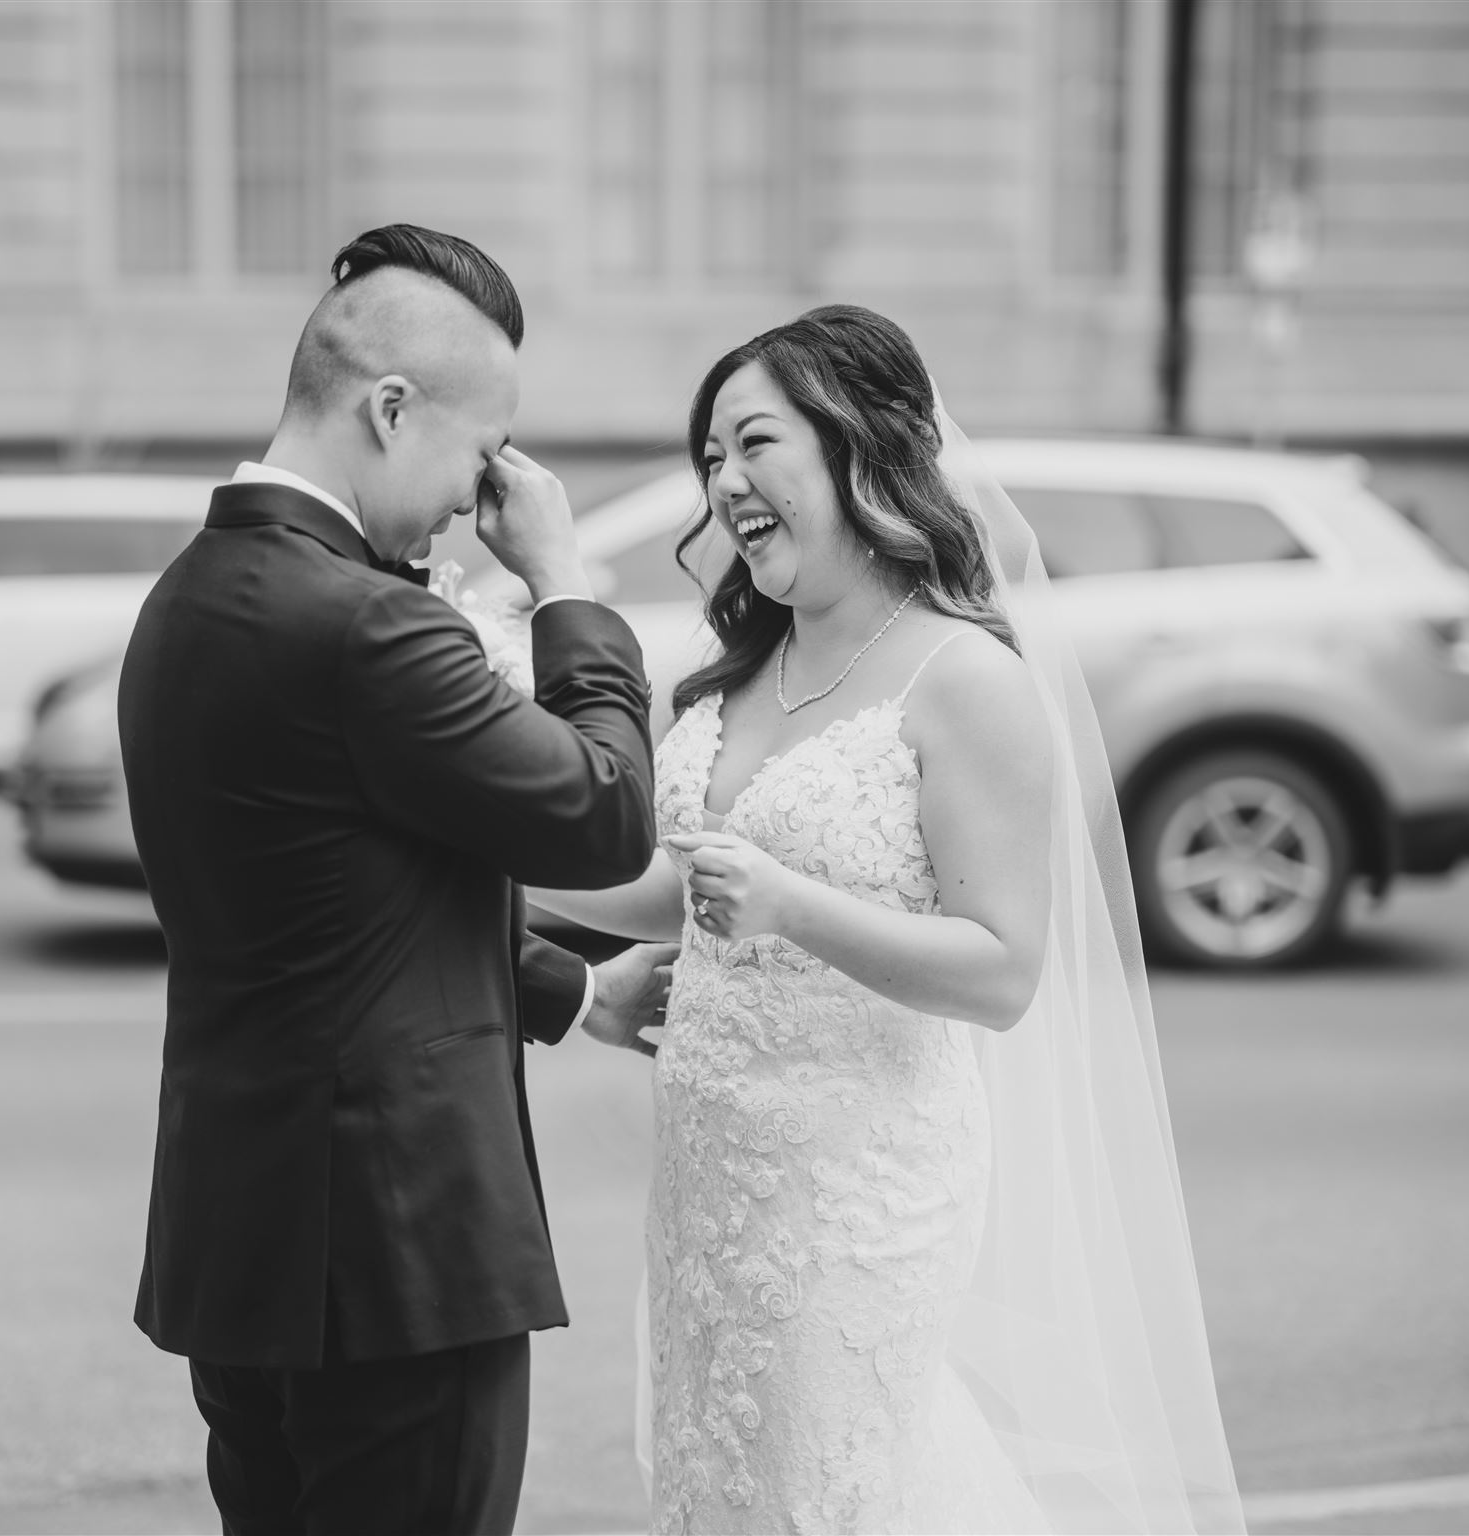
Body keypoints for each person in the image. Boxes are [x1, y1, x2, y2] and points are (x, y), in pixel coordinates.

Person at [531, 306, 1245, 1534]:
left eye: (754, 443)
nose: (724, 482)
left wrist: (790, 905)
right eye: (709, 457)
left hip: (858, 1181)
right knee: (730, 1475)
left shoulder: (964, 678)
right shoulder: (737, 672)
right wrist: (484, 875)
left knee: (834, 1482)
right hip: (712, 1182)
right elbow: (668, 886)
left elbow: (1002, 971)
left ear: (859, 448)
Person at [119, 224, 675, 1536]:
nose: (482, 495)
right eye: (483, 455)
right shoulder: (365, 624)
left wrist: (561, 985)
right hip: (396, 1262)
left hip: (249, 1250)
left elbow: (317, 884)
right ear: (388, 408)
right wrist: (564, 582)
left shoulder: (189, 599)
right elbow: (605, 817)